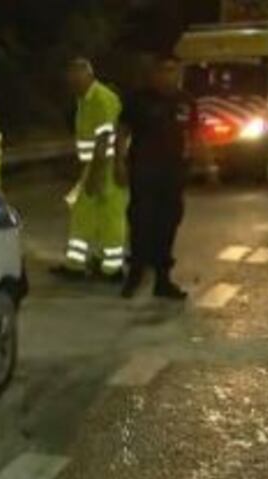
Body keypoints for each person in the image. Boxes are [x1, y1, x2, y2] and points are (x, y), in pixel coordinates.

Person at [116, 54, 198, 300]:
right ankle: (136, 274)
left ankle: (163, 280)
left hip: (173, 173)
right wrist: (118, 162)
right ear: (154, 74)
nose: (168, 75)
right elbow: (122, 131)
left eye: (174, 70)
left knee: (168, 224)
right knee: (141, 222)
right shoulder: (138, 100)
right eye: (164, 70)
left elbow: (194, 134)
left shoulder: (186, 101)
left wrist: (205, 163)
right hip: (144, 171)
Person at [53, 58, 128, 280]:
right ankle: (77, 265)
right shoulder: (85, 99)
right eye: (71, 81)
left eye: (77, 80)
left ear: (88, 76)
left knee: (110, 219)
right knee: (84, 215)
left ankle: (111, 269)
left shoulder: (102, 99)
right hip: (93, 167)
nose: (73, 85)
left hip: (105, 167)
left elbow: (104, 138)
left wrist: (95, 174)